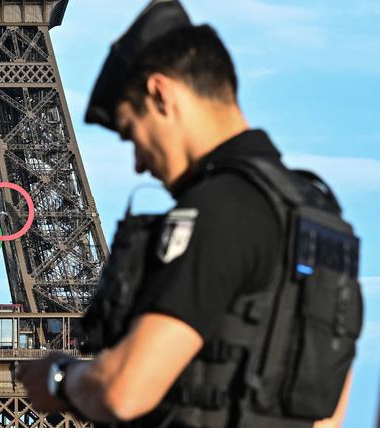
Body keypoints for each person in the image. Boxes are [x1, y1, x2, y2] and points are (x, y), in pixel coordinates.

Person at [18, 1, 362, 427]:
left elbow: (124, 390)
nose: (139, 164)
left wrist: (59, 378)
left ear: (161, 93)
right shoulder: (322, 217)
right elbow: (328, 410)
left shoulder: (219, 209)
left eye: (132, 133)